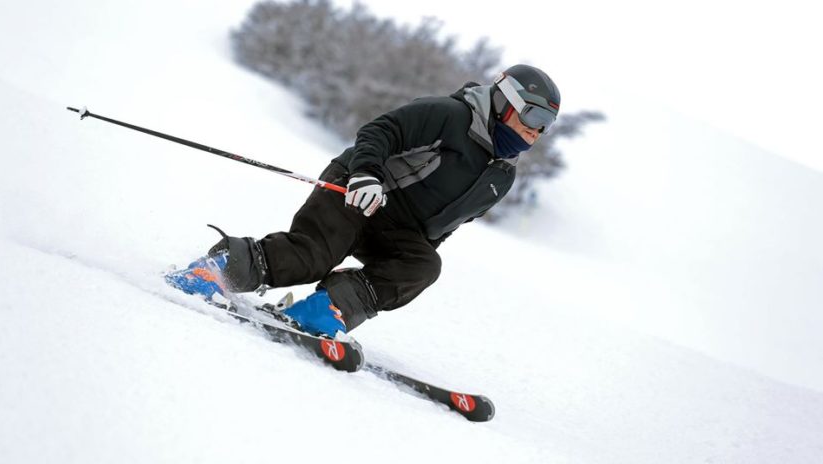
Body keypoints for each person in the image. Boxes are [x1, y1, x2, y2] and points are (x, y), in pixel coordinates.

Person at [166, 64, 561, 338]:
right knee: (312, 256)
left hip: (398, 227)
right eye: (532, 113)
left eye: (545, 124)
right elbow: (380, 130)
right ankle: (218, 269)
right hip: (358, 189)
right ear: (503, 100)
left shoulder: (500, 176)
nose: (535, 130)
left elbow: (448, 224)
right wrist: (365, 175)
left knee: (423, 265)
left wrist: (412, 253)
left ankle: (325, 310)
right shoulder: (451, 116)